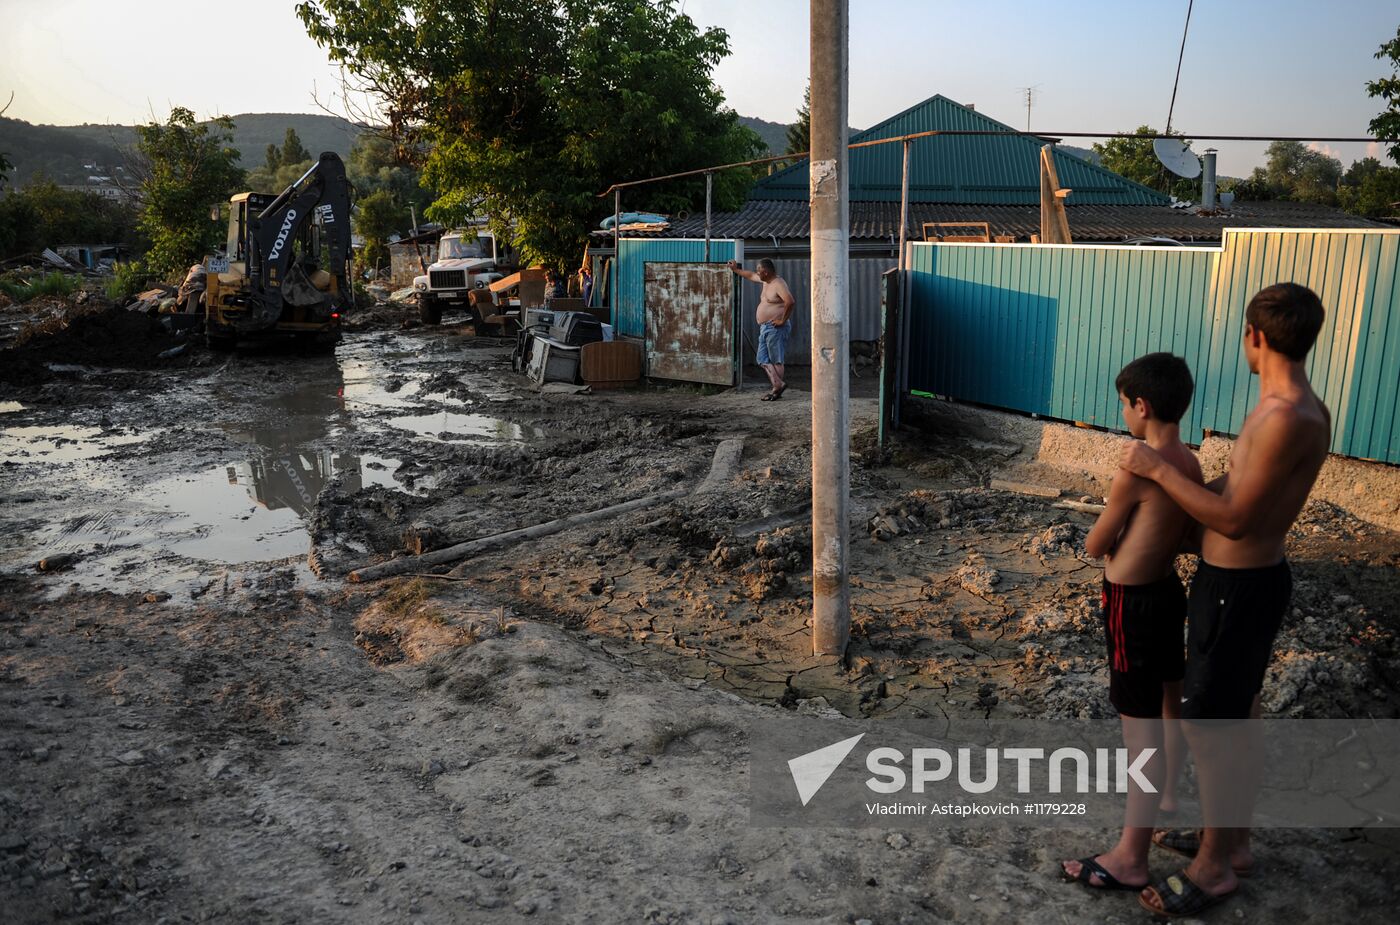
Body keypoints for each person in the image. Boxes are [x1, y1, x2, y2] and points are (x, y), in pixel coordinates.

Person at [1120, 283, 1331, 918]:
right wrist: (1187, 493)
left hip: (1236, 589)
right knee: (1236, 716)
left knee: (1212, 729)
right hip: (1238, 585)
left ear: (1256, 337)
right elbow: (1235, 488)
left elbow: (1236, 519)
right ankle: (1230, 842)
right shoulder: (1284, 407)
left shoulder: (1283, 416)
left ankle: (1213, 869)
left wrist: (1158, 473)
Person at [1061, 353, 1201, 894]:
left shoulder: (1138, 466)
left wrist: (1106, 529)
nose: (1123, 413)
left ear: (1141, 406)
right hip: (1167, 592)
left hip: (1130, 603)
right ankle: (1167, 796)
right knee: (1171, 696)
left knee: (1138, 728)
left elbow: (1098, 544)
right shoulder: (1188, 462)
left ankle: (1131, 854)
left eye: (1123, 405)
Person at [727, 258, 795, 400]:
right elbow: (751, 275)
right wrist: (735, 270)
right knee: (762, 358)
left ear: (766, 271)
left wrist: (782, 320)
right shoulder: (766, 281)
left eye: (759, 271)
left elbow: (790, 301)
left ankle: (777, 389)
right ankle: (778, 385)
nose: (757, 273)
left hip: (776, 327)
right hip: (765, 327)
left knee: (776, 359)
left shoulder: (778, 284)